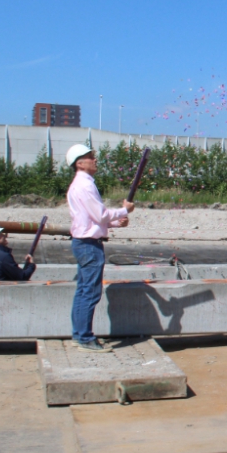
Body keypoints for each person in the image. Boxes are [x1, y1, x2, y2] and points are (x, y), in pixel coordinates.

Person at [65, 144, 134, 353]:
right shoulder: (84, 185)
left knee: (84, 290)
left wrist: (115, 222)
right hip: (88, 245)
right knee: (90, 292)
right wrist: (124, 210)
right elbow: (101, 215)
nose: (95, 160)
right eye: (90, 157)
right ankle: (85, 337)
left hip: (85, 241)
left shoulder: (82, 184)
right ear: (79, 163)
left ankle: (80, 334)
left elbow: (93, 218)